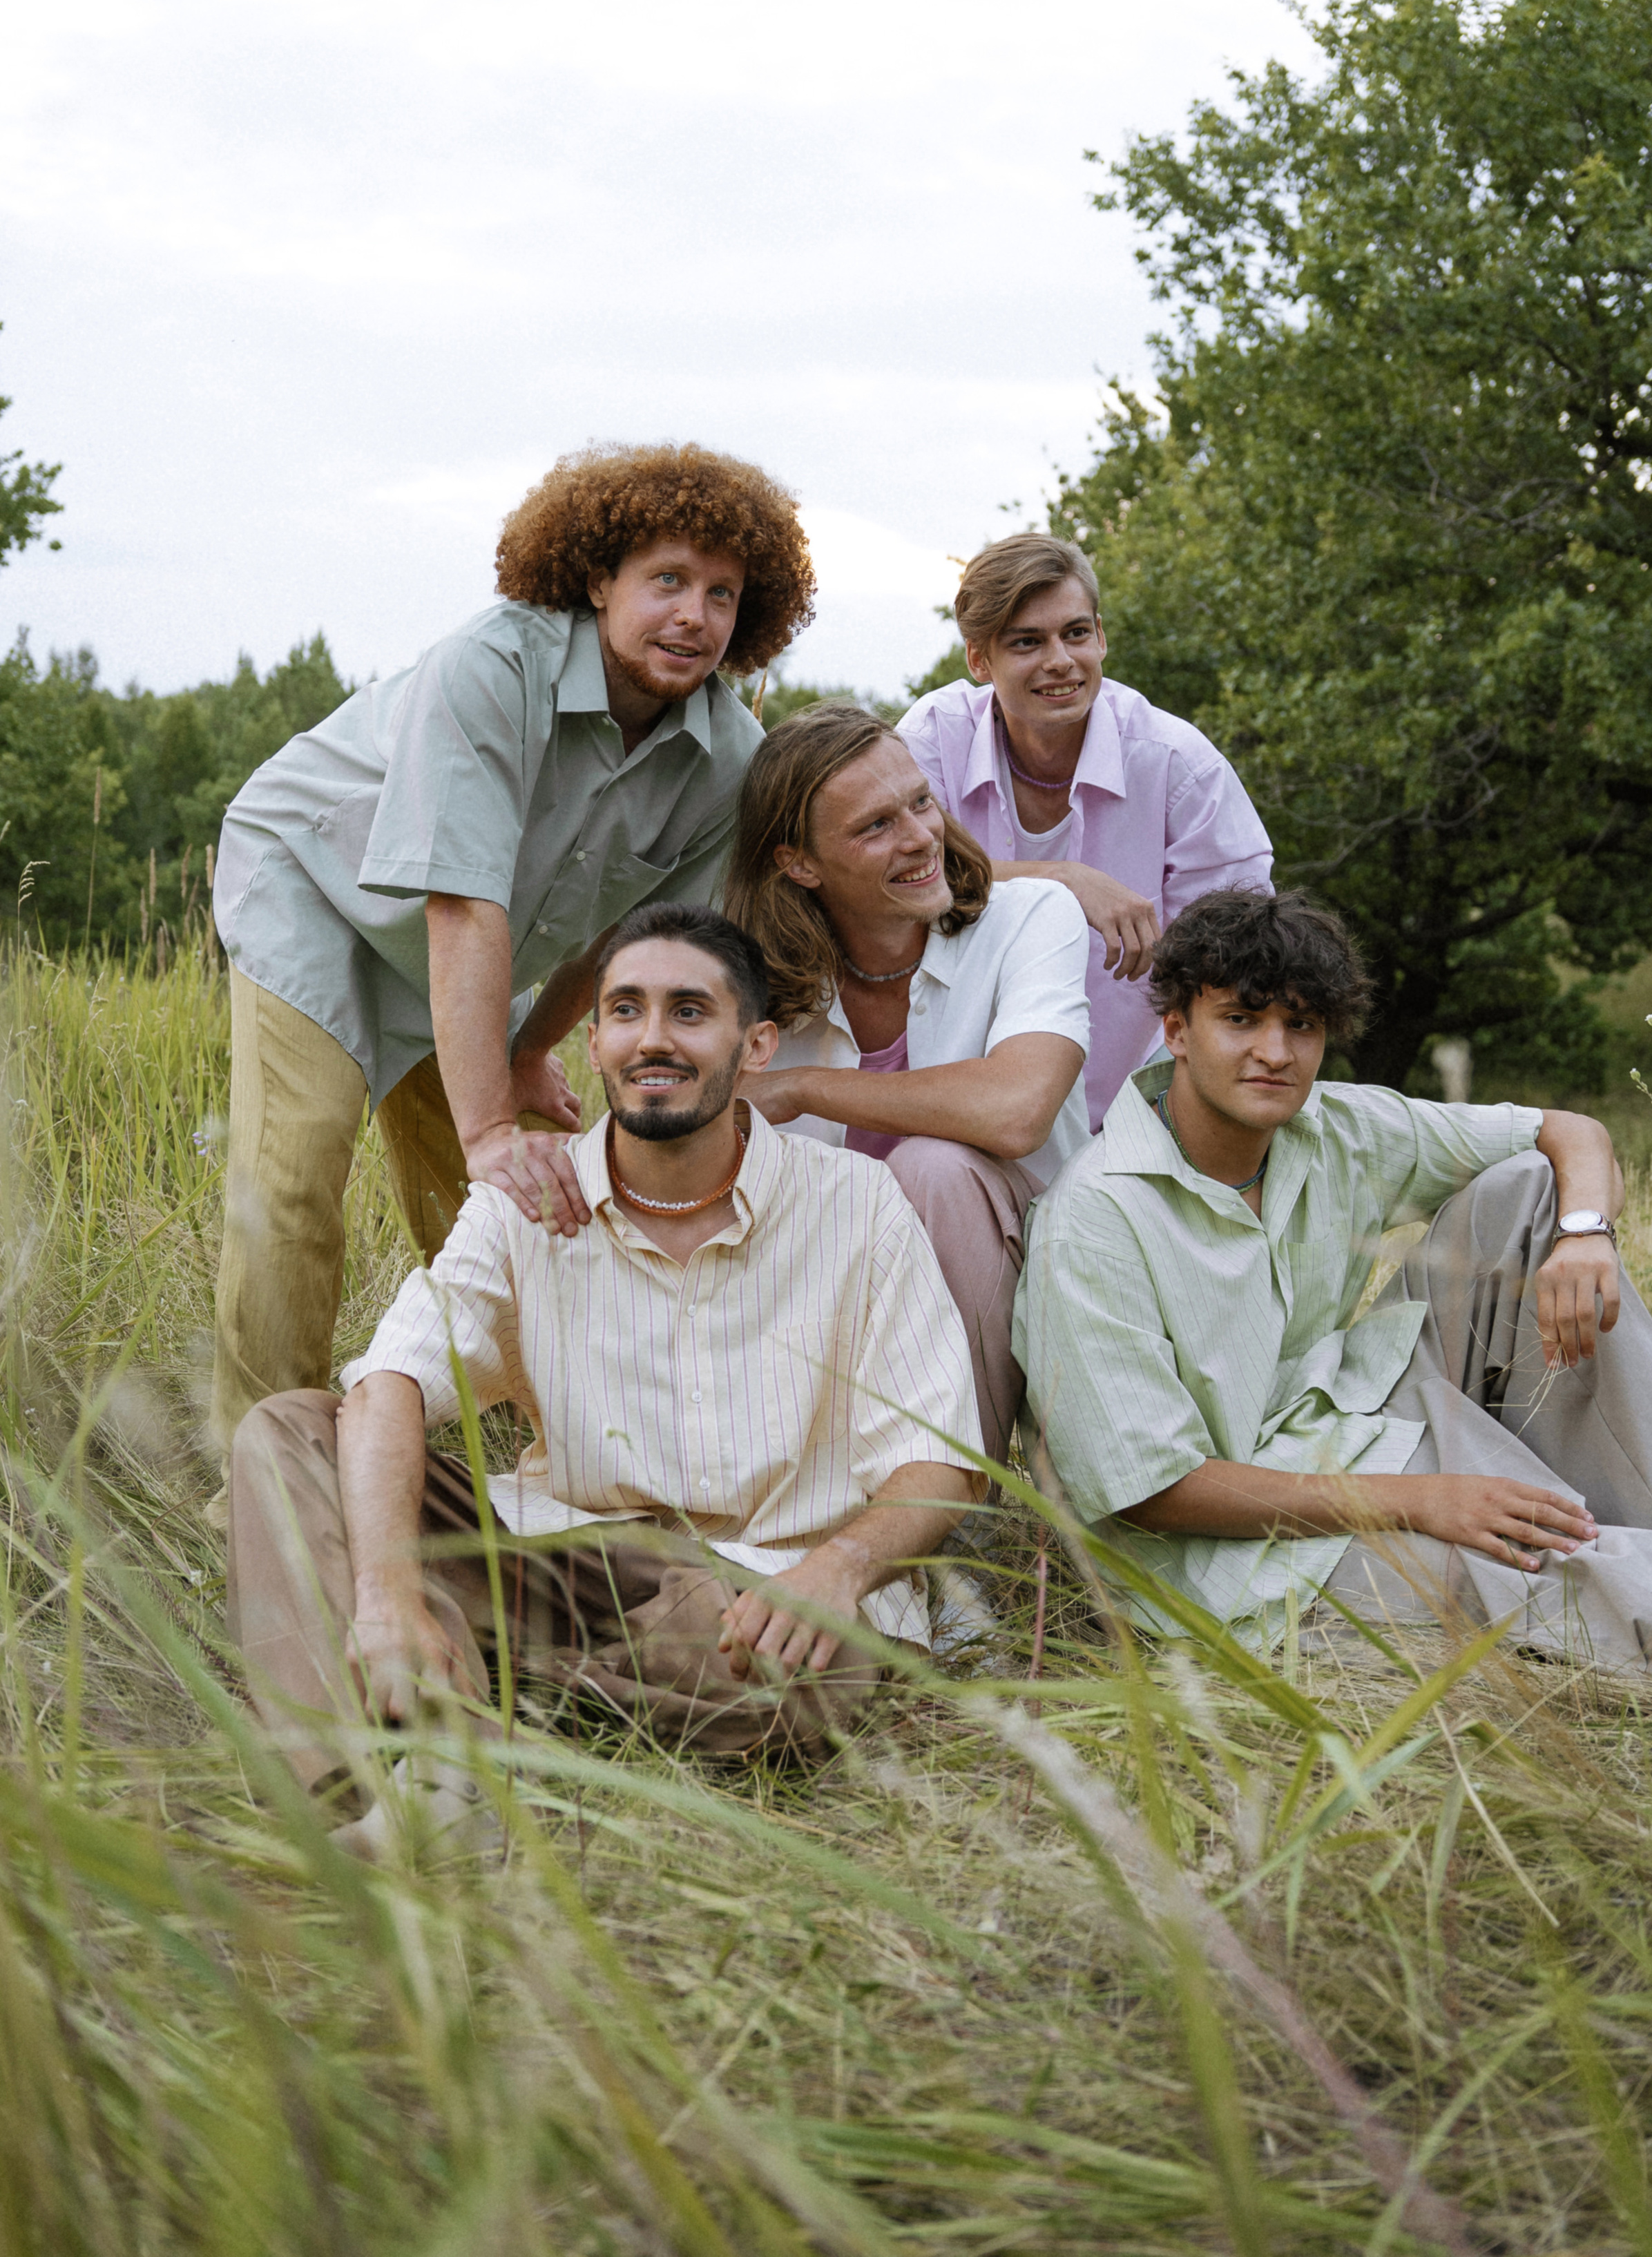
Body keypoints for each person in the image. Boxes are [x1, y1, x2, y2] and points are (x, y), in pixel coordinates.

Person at [227, 903, 985, 1847]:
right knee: (293, 1428)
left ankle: (494, 1696)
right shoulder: (528, 1203)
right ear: (593, 1043)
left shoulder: (858, 1205)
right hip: (560, 1557)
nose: (652, 1039)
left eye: (688, 1012)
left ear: (756, 1045)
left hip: (758, 1593)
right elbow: (391, 1385)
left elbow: (936, 1461)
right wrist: (385, 1592)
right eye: (625, 1011)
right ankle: (377, 1786)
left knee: (808, 1677)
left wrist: (841, 1569)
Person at [210, 441, 816, 1462]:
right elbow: (461, 903)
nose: (695, 616)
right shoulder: (492, 665)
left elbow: (632, 942)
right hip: (317, 888)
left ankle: (516, 1444)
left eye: (723, 594)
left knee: (496, 1200)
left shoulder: (730, 761)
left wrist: (531, 1050)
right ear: (595, 580)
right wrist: (490, 1115)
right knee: (296, 1174)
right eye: (667, 580)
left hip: (460, 949)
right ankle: (269, 1479)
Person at [1017, 886, 1652, 1685]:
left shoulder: (1333, 1126)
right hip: (1227, 1558)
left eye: (1299, 1026)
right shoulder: (1093, 1219)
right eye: (1240, 1019)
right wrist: (1415, 1501)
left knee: (1528, 1190)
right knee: (1528, 1558)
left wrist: (1586, 1238)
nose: (1273, 1051)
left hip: (1348, 1413)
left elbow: (1568, 1135)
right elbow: (1153, 1491)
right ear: (1177, 1030)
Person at [724, 702, 1091, 1465]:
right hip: (837, 1301)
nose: (921, 836)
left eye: (920, 802)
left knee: (934, 1171)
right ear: (800, 864)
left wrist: (800, 1091)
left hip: (1034, 1283)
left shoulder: (1031, 916)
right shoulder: (756, 986)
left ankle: (956, 1504)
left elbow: (1018, 1111)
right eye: (875, 826)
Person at [896, 532, 1271, 1131]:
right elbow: (890, 887)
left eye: (1075, 633)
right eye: (1027, 642)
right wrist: (1063, 880)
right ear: (978, 659)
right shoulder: (932, 740)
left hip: (1139, 1116)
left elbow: (1241, 962)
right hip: (955, 1104)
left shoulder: (1180, 768)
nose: (1060, 661)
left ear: (1101, 635)